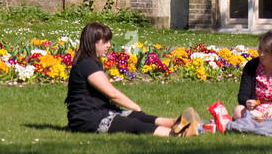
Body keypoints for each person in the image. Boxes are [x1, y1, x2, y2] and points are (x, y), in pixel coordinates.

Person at [65, 22, 201, 136]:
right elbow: (112, 94)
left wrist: (135, 111)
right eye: (105, 42)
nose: (109, 45)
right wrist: (135, 106)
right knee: (134, 124)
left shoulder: (91, 62)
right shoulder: (87, 65)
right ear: (93, 43)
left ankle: (175, 123)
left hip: (101, 111)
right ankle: (176, 134)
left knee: (138, 117)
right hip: (87, 119)